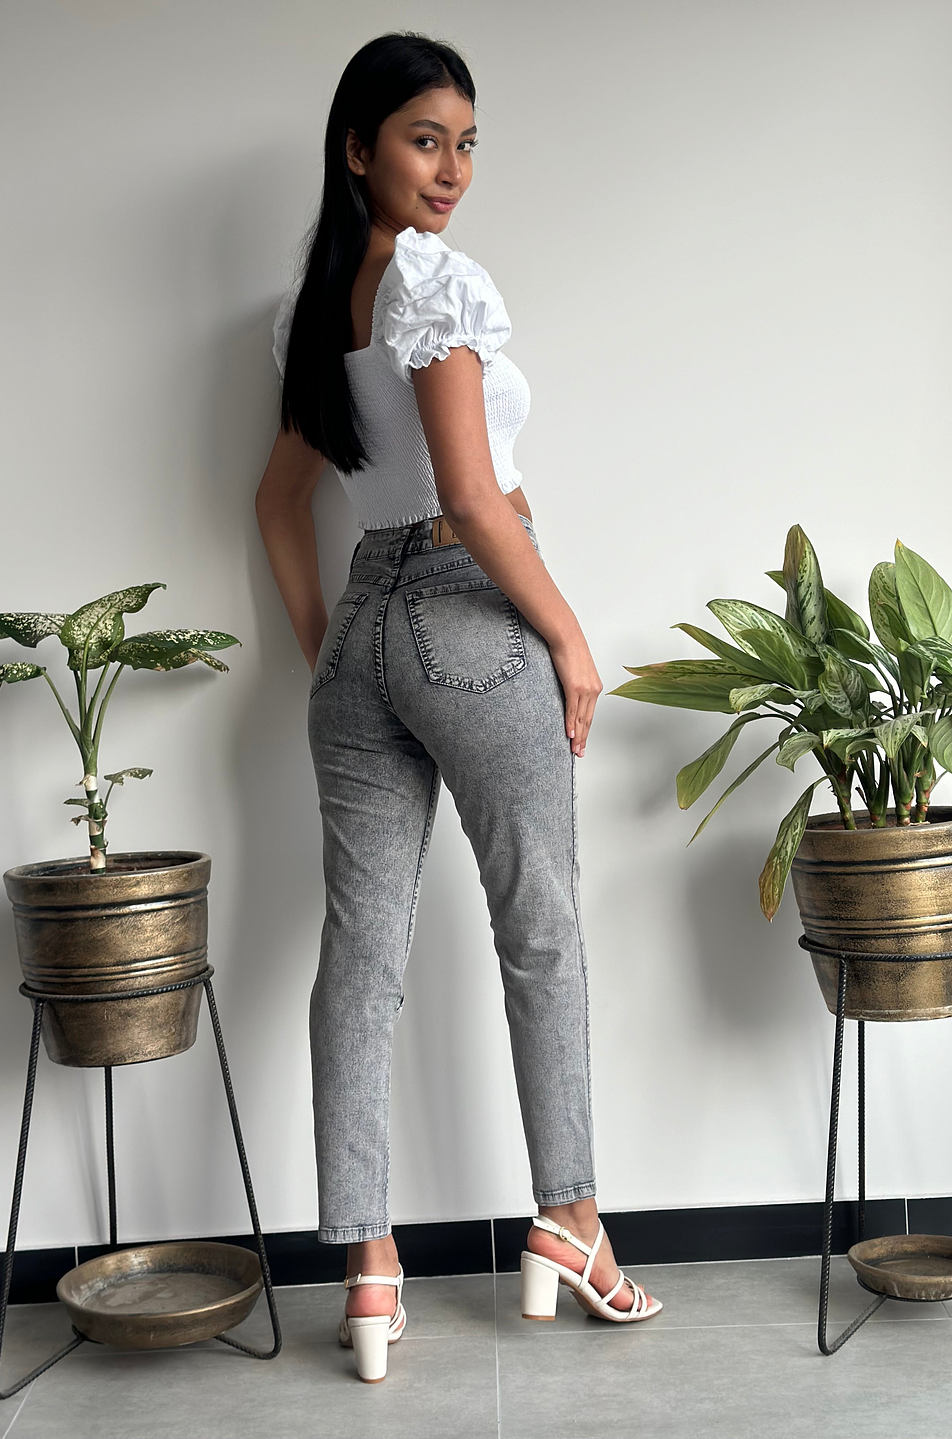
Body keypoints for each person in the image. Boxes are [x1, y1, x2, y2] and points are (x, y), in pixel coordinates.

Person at [255, 31, 662, 1383]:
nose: (451, 169)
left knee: (358, 953)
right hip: (470, 614)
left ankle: (368, 1270)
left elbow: (277, 503)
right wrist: (571, 640)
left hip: (365, 632)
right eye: (424, 138)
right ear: (357, 146)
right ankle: (571, 1222)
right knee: (538, 925)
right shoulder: (433, 279)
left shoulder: (317, 309)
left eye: (467, 142)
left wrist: (331, 645)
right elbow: (476, 499)